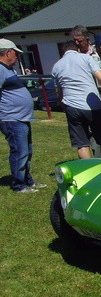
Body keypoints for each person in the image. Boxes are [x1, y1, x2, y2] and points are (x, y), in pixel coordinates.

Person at [52, 40, 101, 159]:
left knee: (81, 143)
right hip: (93, 105)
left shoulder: (57, 66)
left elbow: (59, 92)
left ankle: (89, 170)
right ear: (77, 49)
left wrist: (62, 104)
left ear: (63, 52)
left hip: (72, 105)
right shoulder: (86, 59)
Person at [0, 38, 45, 193]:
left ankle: (27, 180)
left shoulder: (9, 69)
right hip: (11, 118)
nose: (17, 56)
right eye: (15, 53)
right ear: (7, 53)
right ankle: (19, 185)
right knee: (19, 151)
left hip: (21, 117)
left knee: (27, 150)